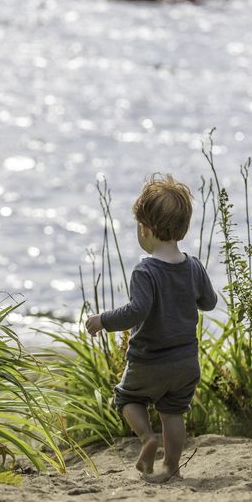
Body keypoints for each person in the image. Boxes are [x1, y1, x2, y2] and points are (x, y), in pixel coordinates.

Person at [85, 173, 216, 481]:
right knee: (173, 412)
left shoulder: (145, 271)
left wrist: (103, 320)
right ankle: (171, 468)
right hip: (185, 362)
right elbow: (208, 302)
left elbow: (135, 312)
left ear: (145, 229)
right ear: (182, 228)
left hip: (149, 360)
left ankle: (147, 438)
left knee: (127, 398)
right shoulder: (194, 266)